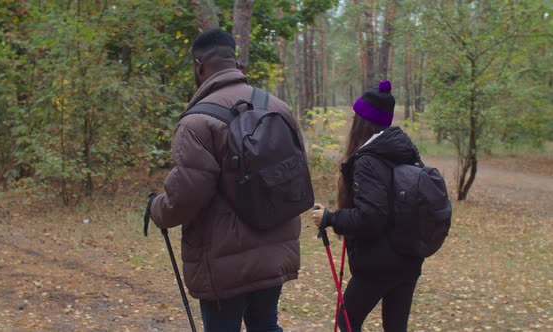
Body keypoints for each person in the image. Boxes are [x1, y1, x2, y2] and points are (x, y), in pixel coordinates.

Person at [149, 28, 302, 332]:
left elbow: (185, 197)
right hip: (275, 250)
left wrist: (157, 209)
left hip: (224, 263)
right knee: (265, 325)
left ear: (199, 65)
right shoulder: (278, 107)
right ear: (234, 60)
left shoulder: (197, 122)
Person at [311, 80, 424, 332]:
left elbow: (372, 217)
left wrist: (331, 218)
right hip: (409, 258)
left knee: (346, 321)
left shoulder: (368, 160)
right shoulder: (403, 151)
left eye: (355, 116)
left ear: (363, 122)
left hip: (379, 263)